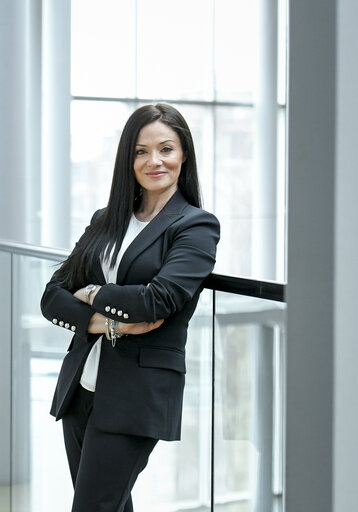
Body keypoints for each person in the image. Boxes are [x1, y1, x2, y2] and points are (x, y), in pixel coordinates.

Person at [41, 103, 220, 511]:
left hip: (136, 395)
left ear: (184, 155)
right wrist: (108, 324)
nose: (154, 161)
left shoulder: (195, 225)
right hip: (81, 386)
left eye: (166, 149)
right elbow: (51, 296)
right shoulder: (106, 219)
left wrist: (92, 294)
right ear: (128, 159)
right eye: (141, 151)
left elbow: (160, 300)